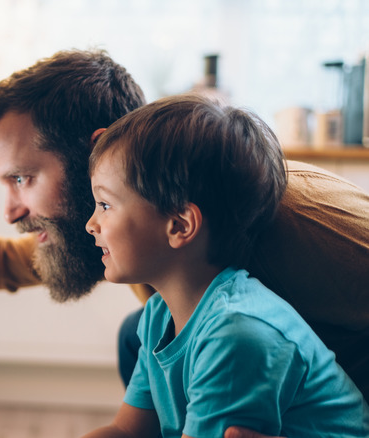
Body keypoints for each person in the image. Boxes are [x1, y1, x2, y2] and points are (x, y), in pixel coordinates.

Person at [0, 49, 369, 432]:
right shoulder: (123, 226)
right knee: (141, 334)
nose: (12, 209)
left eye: (23, 178)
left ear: (94, 152)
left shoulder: (295, 218)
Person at [81, 93, 368, 437]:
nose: (91, 224)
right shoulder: (159, 314)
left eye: (105, 205)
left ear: (180, 226)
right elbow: (126, 431)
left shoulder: (236, 335)